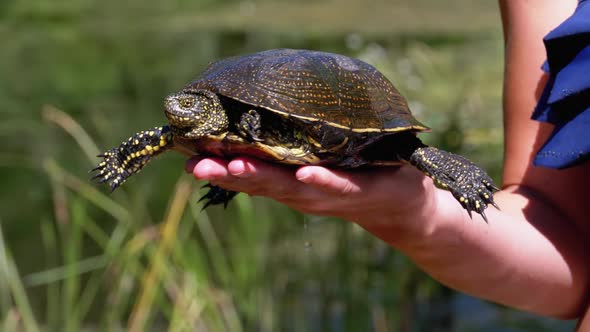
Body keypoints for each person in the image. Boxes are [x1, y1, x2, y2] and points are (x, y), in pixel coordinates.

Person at [185, 0, 590, 328]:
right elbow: (560, 251)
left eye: (185, 106)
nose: (175, 109)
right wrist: (421, 212)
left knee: (408, 149)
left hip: (353, 126)